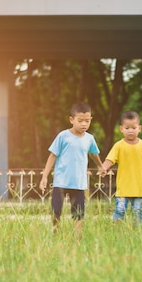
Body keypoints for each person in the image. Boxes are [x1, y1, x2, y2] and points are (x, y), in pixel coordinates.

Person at [39, 101, 105, 239]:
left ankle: (77, 238)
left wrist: (101, 165)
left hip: (79, 183)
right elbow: (52, 156)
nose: (84, 124)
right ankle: (55, 232)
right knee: (56, 210)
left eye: (87, 121)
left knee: (78, 213)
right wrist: (45, 176)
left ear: (91, 120)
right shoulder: (63, 136)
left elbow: (93, 153)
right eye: (80, 121)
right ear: (71, 120)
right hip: (61, 181)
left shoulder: (89, 139)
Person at [101, 111, 142, 225]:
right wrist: (103, 168)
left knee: (137, 213)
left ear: (139, 128)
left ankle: (136, 235)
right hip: (123, 188)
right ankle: (116, 232)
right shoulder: (119, 146)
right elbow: (110, 160)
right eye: (127, 127)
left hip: (139, 189)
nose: (130, 130)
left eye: (134, 127)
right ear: (121, 129)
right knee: (119, 211)